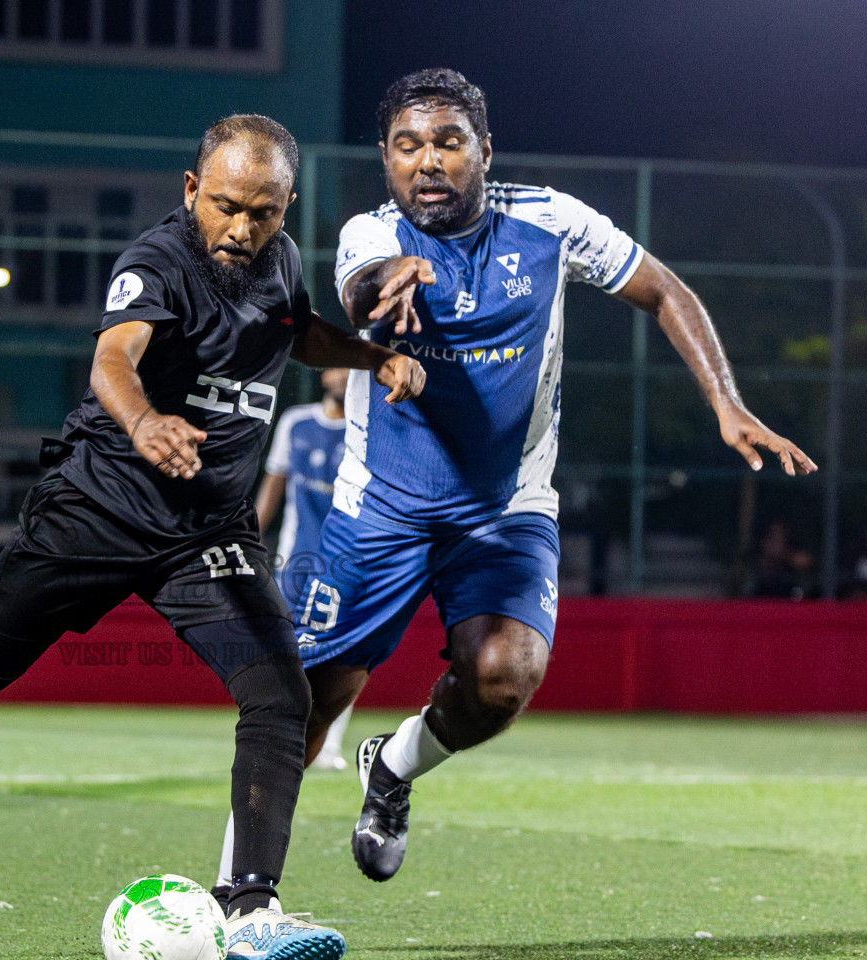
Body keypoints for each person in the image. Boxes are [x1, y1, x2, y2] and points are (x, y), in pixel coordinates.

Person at [0, 115, 424, 960]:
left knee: (279, 695)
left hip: (205, 530)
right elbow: (112, 358)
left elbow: (296, 329)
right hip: (95, 510)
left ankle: (249, 908)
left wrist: (369, 355)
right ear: (189, 191)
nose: (242, 229)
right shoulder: (159, 259)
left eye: (264, 212)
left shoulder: (275, 261)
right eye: (225, 207)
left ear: (287, 206)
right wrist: (142, 421)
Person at [291, 69, 818, 884]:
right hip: (383, 503)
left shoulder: (550, 222)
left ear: (484, 151)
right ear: (388, 161)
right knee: (309, 704)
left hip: (506, 506)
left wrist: (726, 401)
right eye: (407, 146)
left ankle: (393, 766)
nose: (427, 161)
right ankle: (242, 894)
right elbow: (361, 293)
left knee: (502, 682)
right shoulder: (372, 233)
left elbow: (664, 291)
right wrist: (385, 286)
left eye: (447, 142)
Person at [253, 367, 355, 770]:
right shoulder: (296, 421)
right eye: (340, 365)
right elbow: (273, 486)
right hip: (295, 559)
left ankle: (327, 746)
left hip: (347, 561)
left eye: (356, 369)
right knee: (288, 650)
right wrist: (251, 538)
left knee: (343, 651)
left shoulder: (367, 429)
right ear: (325, 371)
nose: (347, 376)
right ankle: (281, 731)